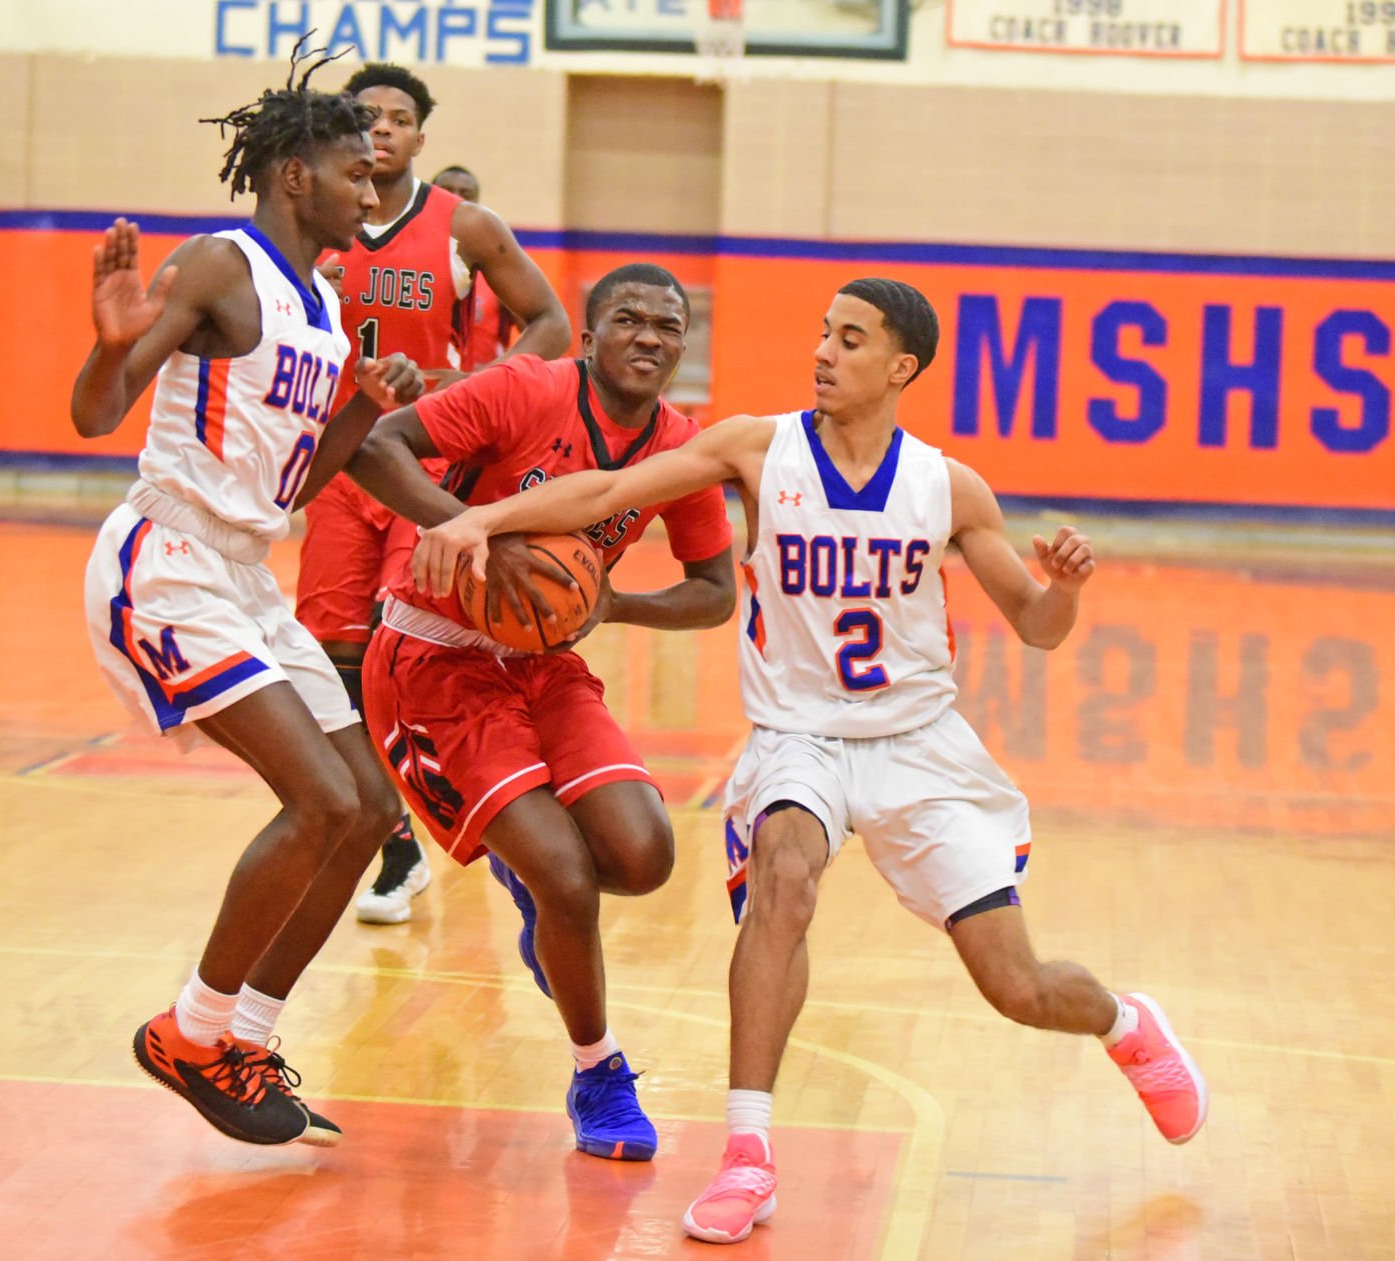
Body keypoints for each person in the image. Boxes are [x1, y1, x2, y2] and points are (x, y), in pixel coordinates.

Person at [411, 278, 1210, 1242]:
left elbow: (1037, 627)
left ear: (901, 367)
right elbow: (614, 492)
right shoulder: (757, 446)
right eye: (823, 334)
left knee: (1019, 985)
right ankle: (748, 1156)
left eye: (851, 340)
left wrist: (1066, 588)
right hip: (798, 736)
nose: (824, 353)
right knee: (784, 878)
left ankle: (1126, 1024)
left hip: (917, 747)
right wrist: (483, 520)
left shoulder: (949, 488)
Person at [72, 46, 423, 1149]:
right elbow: (95, 415)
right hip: (168, 561)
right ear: (291, 177)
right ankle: (189, 1029)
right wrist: (108, 345)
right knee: (320, 799)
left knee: (367, 809)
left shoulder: (322, 303)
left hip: (245, 569)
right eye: (352, 173)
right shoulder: (219, 266)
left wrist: (360, 416)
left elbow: (291, 488)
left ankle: (242, 1036)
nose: (370, 193)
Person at [345, 262, 738, 1161]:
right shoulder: (526, 388)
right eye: (629, 319)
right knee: (566, 877)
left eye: (669, 325)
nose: (650, 336)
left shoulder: (680, 448)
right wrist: (468, 529)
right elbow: (378, 446)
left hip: (546, 662)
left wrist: (616, 605)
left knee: (642, 858)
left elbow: (715, 590)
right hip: (433, 662)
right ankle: (597, 1072)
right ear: (590, 337)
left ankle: (534, 887)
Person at [296, 64, 571, 928]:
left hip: (421, 466)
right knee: (332, 656)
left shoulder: (465, 228)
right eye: (365, 115)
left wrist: (469, 385)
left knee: (404, 653)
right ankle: (396, 847)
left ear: (421, 137)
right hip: (341, 463)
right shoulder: (313, 221)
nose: (381, 127)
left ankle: (462, 821)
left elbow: (553, 324)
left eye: (399, 117)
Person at [431, 164, 524, 371]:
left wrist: (494, 371)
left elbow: (541, 327)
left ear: (478, 203)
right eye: (446, 191)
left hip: (482, 391)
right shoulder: (412, 257)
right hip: (424, 386)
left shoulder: (495, 266)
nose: (456, 199)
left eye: (466, 194)